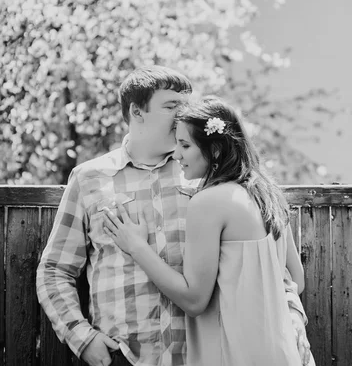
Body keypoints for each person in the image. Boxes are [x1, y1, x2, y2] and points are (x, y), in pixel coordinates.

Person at [36, 66, 310, 366]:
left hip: (201, 354)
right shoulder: (89, 178)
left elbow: (268, 269)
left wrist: (293, 315)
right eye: (171, 106)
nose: (183, 114)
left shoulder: (206, 176)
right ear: (137, 112)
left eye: (186, 105)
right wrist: (81, 336)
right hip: (122, 355)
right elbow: (54, 270)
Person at [102, 95, 315, 365]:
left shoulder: (208, 202)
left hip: (234, 354)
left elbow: (193, 301)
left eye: (185, 145)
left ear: (214, 149)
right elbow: (297, 279)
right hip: (279, 350)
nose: (176, 154)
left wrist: (137, 247)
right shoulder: (266, 194)